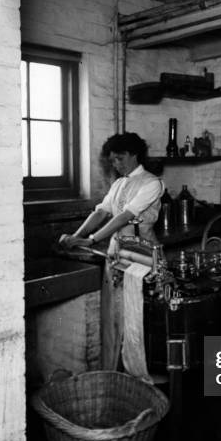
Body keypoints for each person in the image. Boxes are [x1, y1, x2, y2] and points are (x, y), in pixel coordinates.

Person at [59, 132, 164, 370]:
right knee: (115, 316)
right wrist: (78, 236)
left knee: (137, 315)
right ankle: (117, 374)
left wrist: (92, 240)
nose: (116, 165)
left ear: (134, 154)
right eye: (112, 161)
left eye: (120, 158)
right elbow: (101, 212)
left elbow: (125, 216)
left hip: (142, 254)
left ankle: (141, 375)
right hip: (116, 253)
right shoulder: (118, 183)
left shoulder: (152, 183)